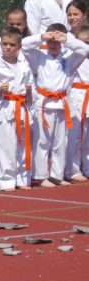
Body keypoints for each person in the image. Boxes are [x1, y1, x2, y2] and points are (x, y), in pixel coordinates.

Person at [22, 23, 89, 186]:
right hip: (44, 104)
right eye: (51, 41)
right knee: (42, 141)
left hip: (61, 103)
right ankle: (40, 175)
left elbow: (84, 50)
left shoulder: (69, 58)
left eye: (56, 41)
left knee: (61, 141)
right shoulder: (39, 56)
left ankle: (57, 175)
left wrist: (66, 39)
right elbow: (24, 45)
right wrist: (42, 37)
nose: (53, 44)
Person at [0, 27, 34, 191]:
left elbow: (32, 89)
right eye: (5, 44)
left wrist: (28, 92)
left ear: (19, 47)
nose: (8, 47)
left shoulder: (25, 66)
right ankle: (5, 180)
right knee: (5, 146)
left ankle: (22, 178)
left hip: (22, 107)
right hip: (5, 108)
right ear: (0, 45)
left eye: (12, 44)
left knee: (22, 145)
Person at [66, 23, 89, 182]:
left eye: (87, 42)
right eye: (82, 42)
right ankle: (72, 169)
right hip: (77, 96)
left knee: (88, 136)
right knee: (75, 135)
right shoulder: (73, 57)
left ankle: (86, 166)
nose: (85, 46)